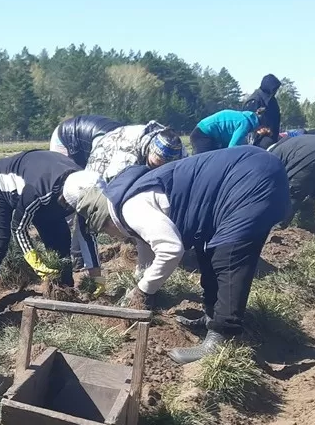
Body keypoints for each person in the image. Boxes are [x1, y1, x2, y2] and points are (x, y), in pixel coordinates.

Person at [75, 147, 290, 364]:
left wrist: (143, 290)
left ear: (106, 221)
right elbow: (147, 248)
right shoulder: (128, 200)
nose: (112, 238)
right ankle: (211, 315)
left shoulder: (132, 209)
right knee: (206, 251)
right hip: (244, 175)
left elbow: (170, 249)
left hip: (252, 181)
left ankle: (221, 338)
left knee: (228, 256)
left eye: (105, 232)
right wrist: (140, 281)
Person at [0, 150, 101, 328]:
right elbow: (19, 228)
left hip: (44, 190)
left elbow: (86, 232)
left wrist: (96, 275)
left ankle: (64, 294)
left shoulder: (85, 187)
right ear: (63, 199)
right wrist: (34, 260)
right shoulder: (38, 191)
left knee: (61, 240)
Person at [74, 123, 186, 287]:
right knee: (91, 213)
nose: (160, 167)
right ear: (151, 152)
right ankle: (83, 267)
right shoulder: (126, 159)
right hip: (106, 159)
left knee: (140, 217)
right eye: (157, 163)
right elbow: (115, 198)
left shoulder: (179, 152)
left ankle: (142, 262)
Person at [49, 114, 124, 167]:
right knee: (64, 172)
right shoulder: (105, 141)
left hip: (87, 135)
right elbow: (95, 169)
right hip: (64, 135)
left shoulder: (125, 137)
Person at [190, 108, 263, 153]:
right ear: (260, 126)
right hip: (203, 134)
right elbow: (232, 147)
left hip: (207, 133)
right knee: (204, 165)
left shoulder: (245, 117)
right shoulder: (245, 123)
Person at [243, 74, 283, 148]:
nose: (275, 91)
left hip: (272, 137)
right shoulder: (254, 101)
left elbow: (276, 120)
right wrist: (262, 131)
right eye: (274, 89)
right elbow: (247, 125)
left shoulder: (272, 101)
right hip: (257, 139)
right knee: (267, 143)